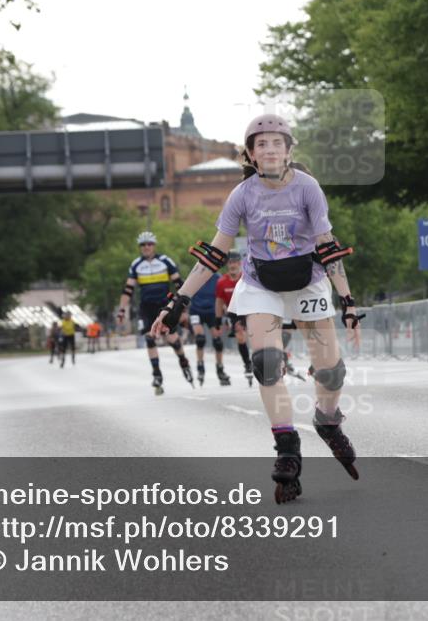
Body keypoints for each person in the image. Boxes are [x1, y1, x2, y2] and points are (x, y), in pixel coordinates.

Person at [151, 114, 365, 504]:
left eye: (277, 143)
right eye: (261, 144)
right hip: (261, 281)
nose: (269, 150)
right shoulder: (242, 194)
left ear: (289, 150)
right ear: (250, 154)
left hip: (307, 279)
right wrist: (177, 300)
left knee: (331, 371)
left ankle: (328, 421)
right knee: (266, 363)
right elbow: (215, 253)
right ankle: (287, 448)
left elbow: (327, 246)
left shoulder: (308, 188)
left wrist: (348, 302)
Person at [118, 232, 194, 394]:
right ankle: (157, 374)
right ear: (140, 247)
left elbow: (179, 284)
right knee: (149, 338)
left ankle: (183, 362)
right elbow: (128, 290)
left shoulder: (165, 261)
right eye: (143, 245)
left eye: (149, 244)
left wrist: (182, 309)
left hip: (164, 306)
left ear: (154, 246)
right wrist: (121, 310)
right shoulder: (136, 264)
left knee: (172, 339)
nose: (146, 247)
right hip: (146, 308)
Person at [188, 259, 231, 387]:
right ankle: (200, 366)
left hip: (212, 311)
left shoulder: (218, 278)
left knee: (217, 341)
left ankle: (220, 368)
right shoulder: (194, 277)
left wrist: (226, 315)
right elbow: (185, 294)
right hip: (196, 310)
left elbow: (221, 298)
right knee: (200, 339)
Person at [216, 251, 254, 385]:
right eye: (230, 263)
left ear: (240, 263)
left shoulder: (247, 278)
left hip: (250, 309)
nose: (232, 265)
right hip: (234, 313)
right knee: (241, 336)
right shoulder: (221, 282)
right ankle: (247, 363)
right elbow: (219, 302)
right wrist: (218, 319)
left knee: (254, 337)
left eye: (235, 263)